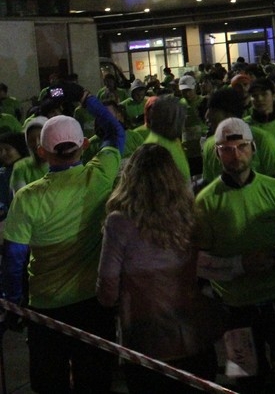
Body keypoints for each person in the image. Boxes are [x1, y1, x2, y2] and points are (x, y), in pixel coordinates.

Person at [1, 82, 125, 393]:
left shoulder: (27, 198)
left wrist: (14, 301)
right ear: (84, 145)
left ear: (42, 152)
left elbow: (14, 256)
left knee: (50, 382)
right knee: (95, 381)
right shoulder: (100, 175)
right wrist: (85, 98)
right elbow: (115, 131)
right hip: (92, 300)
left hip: (46, 307)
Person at [194, 117, 275, 392]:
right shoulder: (206, 201)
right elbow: (200, 264)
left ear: (253, 148)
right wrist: (241, 265)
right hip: (235, 309)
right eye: (227, 149)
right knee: (245, 379)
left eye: (241, 147)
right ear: (217, 153)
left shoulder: (274, 188)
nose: (235, 155)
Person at [97, 143, 220, 393]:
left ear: (130, 178)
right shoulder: (189, 214)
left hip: (146, 343)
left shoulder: (119, 223)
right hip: (193, 336)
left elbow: (107, 290)